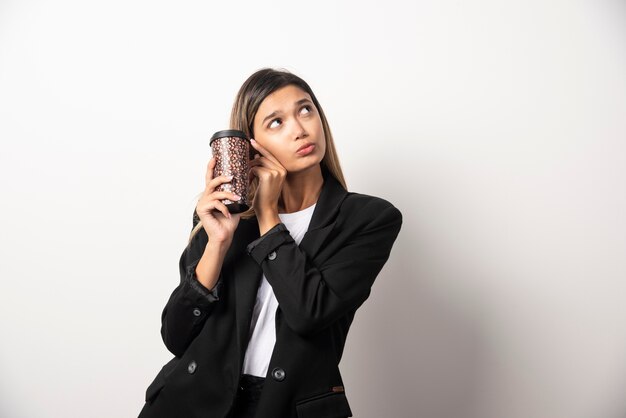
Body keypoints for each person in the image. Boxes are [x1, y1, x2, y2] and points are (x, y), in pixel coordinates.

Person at [138, 68, 403, 418]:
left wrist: (268, 216)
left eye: (305, 109)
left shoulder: (368, 218)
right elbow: (176, 336)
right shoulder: (226, 217)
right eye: (276, 122)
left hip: (286, 407)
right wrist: (217, 243)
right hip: (193, 402)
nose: (299, 129)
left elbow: (309, 313)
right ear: (252, 144)